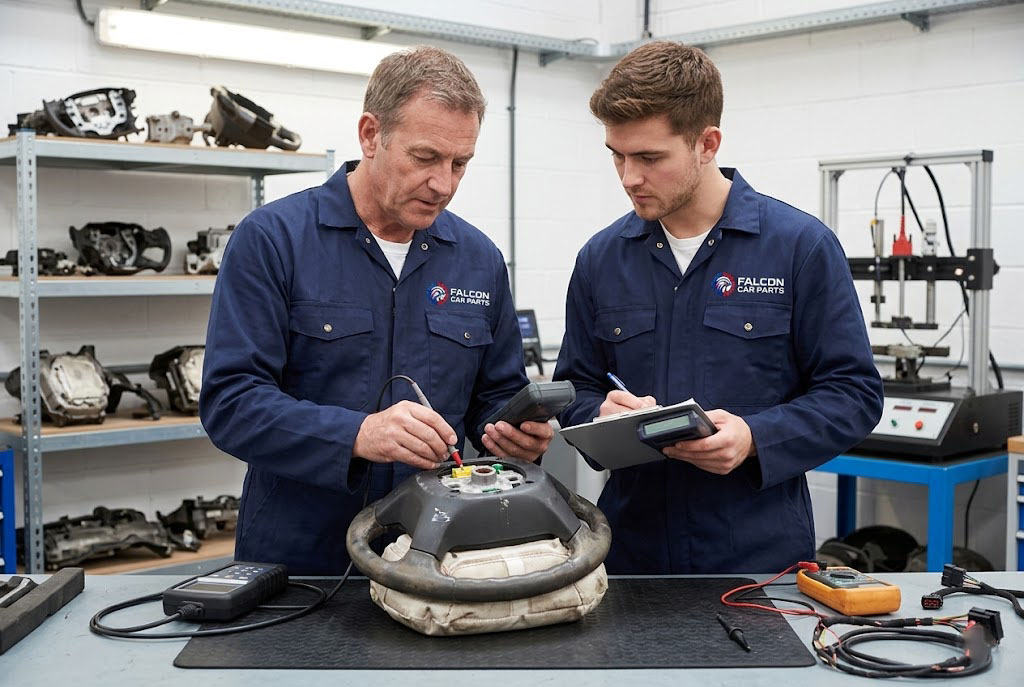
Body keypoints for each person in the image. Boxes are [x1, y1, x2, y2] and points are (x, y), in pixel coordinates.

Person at [201, 46, 553, 575]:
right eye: (425, 157)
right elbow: (231, 403)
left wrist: (515, 433)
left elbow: (496, 396)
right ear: (371, 135)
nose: (444, 185)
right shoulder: (274, 240)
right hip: (299, 559)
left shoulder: (478, 260)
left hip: (435, 555)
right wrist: (357, 435)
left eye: (461, 164)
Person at [553, 41, 883, 575]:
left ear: (707, 143)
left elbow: (854, 394)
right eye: (617, 154)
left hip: (757, 555)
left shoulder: (800, 248)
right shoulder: (601, 259)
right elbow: (575, 388)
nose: (628, 177)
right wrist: (596, 414)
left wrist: (756, 438)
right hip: (630, 554)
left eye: (649, 158)